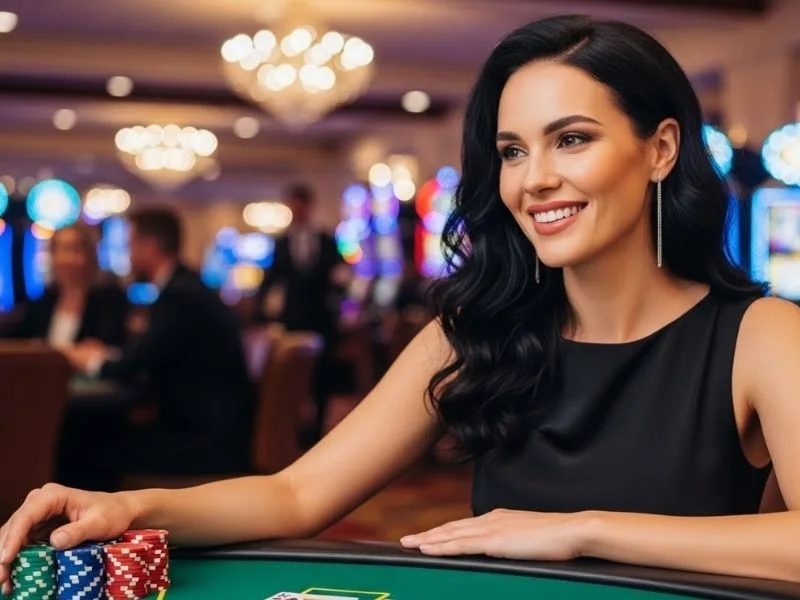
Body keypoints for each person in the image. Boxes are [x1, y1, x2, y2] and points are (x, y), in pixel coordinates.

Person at [3, 15, 800, 591]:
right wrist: (128, 504)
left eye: (573, 139)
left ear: (660, 149)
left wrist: (578, 531)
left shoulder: (760, 336)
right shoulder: (474, 335)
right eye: (513, 151)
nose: (534, 180)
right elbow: (297, 493)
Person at [64, 208, 255, 477]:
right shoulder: (187, 287)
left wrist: (91, 360)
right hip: (214, 431)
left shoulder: (180, 297)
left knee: (88, 445)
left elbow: (131, 367)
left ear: (149, 246)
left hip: (203, 442)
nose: (128, 256)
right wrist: (109, 355)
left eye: (130, 246)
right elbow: (150, 355)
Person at [255, 183, 346, 442]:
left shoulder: (326, 239)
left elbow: (340, 276)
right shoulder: (282, 242)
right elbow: (271, 279)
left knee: (321, 377)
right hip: (293, 319)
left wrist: (339, 305)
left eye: (300, 204)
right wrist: (261, 310)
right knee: (293, 378)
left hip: (322, 319)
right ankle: (295, 428)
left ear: (309, 206)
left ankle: (318, 428)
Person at [0, 223, 128, 349]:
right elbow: (19, 341)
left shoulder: (110, 300)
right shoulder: (44, 302)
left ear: (90, 255)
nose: (66, 259)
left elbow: (108, 350)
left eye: (74, 249)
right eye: (59, 250)